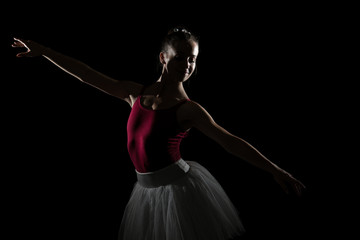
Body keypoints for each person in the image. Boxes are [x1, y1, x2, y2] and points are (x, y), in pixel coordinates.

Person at [12, 26, 306, 240]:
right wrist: (45, 52)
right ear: (164, 57)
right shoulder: (134, 94)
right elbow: (86, 74)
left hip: (178, 193)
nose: (188, 65)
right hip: (145, 192)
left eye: (192, 59)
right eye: (181, 58)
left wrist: (274, 169)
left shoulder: (188, 109)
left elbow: (229, 141)